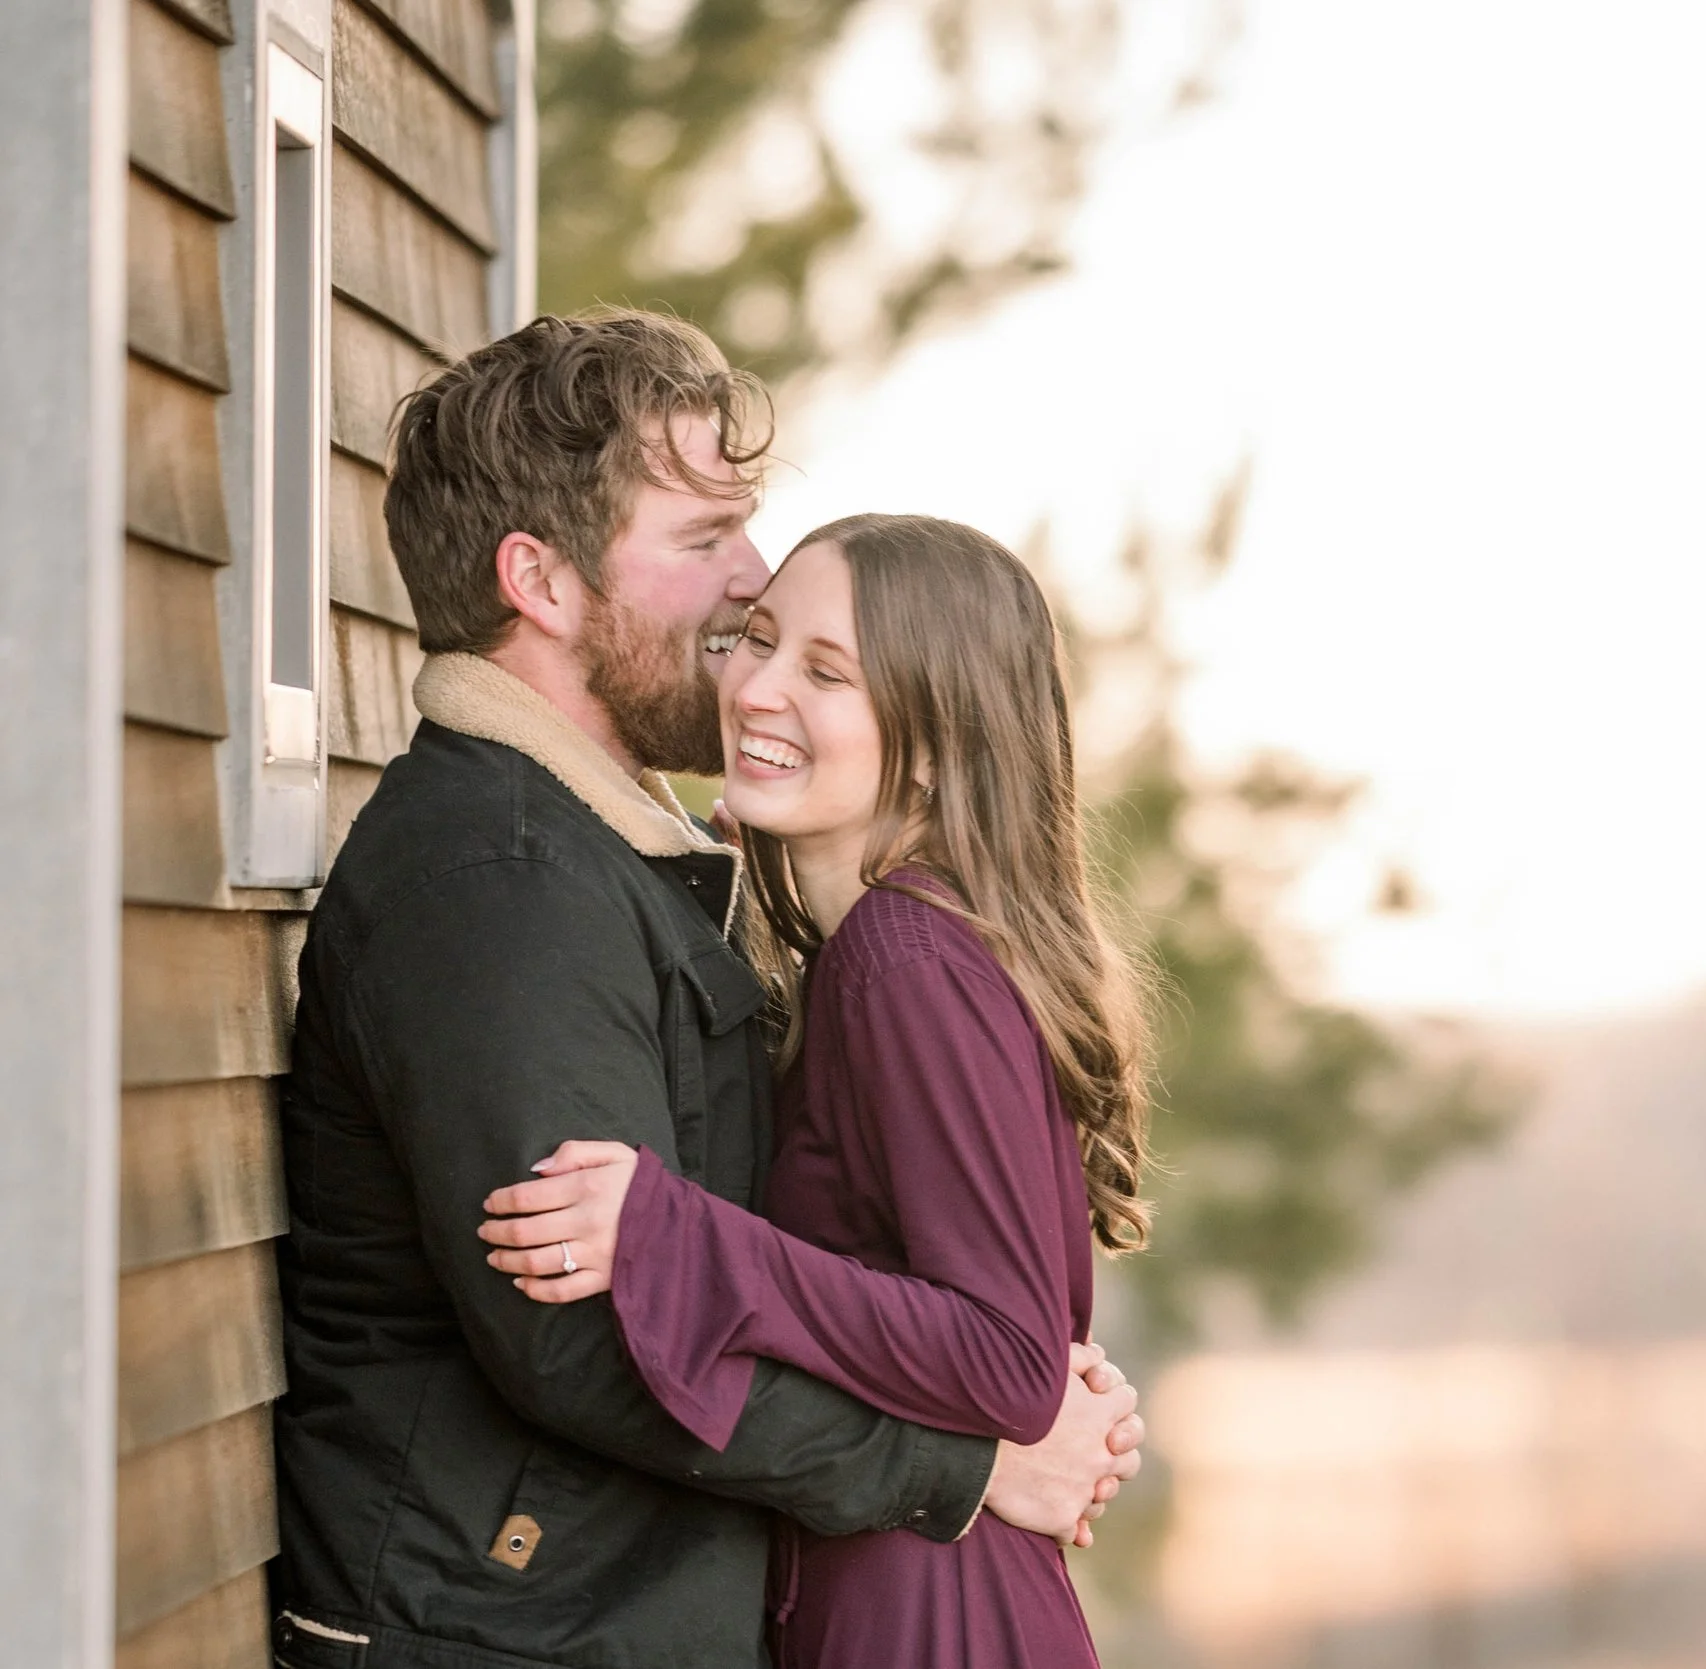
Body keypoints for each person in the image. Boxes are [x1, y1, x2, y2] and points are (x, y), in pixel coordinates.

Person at [271, 314, 1141, 1669]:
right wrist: (954, 1465)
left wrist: (997, 1359)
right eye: (703, 541)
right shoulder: (500, 879)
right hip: (510, 1631)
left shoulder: (625, 852)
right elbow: (580, 1337)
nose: (748, 580)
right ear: (542, 584)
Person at [470, 515, 1152, 1668]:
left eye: (825, 672)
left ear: (934, 745)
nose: (754, 687)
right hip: (906, 1578)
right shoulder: (887, 950)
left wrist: (674, 1237)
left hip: (926, 1609)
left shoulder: (908, 957)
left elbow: (1007, 1356)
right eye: (758, 640)